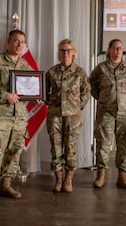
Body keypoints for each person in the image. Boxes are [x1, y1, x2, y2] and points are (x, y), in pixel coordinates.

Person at [0, 29, 37, 205]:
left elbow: (30, 89)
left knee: (14, 151)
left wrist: (35, 96)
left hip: (19, 117)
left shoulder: (25, 66)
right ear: (8, 41)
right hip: (0, 115)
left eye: (22, 42)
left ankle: (6, 185)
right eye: (16, 41)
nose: (19, 45)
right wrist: (6, 96)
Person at [89, 39, 126, 189]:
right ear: (109, 49)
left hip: (125, 113)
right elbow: (91, 86)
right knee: (103, 144)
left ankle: (122, 176)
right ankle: (101, 175)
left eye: (120, 48)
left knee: (124, 145)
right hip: (105, 112)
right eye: (115, 47)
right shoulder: (101, 68)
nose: (118, 50)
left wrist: (124, 101)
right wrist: (104, 99)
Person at [45, 39, 91, 193]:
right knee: (56, 148)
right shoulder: (51, 72)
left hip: (73, 117)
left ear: (74, 52)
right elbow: (44, 92)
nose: (66, 53)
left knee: (70, 149)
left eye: (69, 50)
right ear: (59, 53)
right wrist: (49, 104)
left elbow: (86, 92)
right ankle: (58, 179)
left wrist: (77, 107)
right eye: (63, 50)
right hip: (55, 116)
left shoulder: (80, 72)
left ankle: (68, 179)